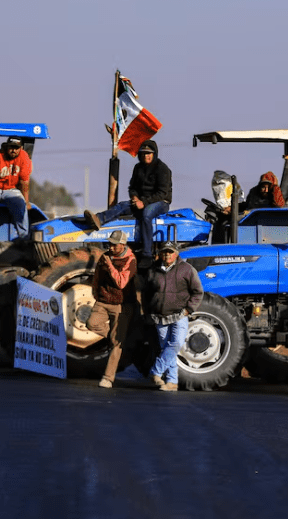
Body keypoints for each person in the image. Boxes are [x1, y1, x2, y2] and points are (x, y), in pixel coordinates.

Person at [83, 139, 171, 264]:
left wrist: (144, 203)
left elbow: (162, 193)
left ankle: (147, 253)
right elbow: (132, 187)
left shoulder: (163, 169)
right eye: (143, 153)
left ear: (154, 154)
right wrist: (134, 197)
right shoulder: (138, 168)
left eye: (149, 153)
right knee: (122, 206)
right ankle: (98, 220)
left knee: (146, 214)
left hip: (160, 202)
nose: (146, 156)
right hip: (141, 201)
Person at [143, 241, 203, 392]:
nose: (167, 255)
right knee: (166, 348)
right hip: (160, 316)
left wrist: (188, 310)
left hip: (179, 314)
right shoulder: (153, 270)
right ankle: (172, 382)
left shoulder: (187, 269)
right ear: (160, 254)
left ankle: (156, 371)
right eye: (164, 252)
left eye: (170, 252)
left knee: (176, 344)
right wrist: (149, 311)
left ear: (176, 253)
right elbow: (146, 293)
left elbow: (198, 292)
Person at [86, 230, 139, 389]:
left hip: (121, 304)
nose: (110, 247)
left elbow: (121, 283)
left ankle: (108, 378)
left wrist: (110, 266)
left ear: (122, 245)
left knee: (116, 343)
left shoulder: (131, 260)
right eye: (109, 244)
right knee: (91, 324)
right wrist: (96, 292)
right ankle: (116, 338)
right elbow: (97, 275)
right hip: (103, 300)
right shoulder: (105, 257)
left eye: (113, 245)